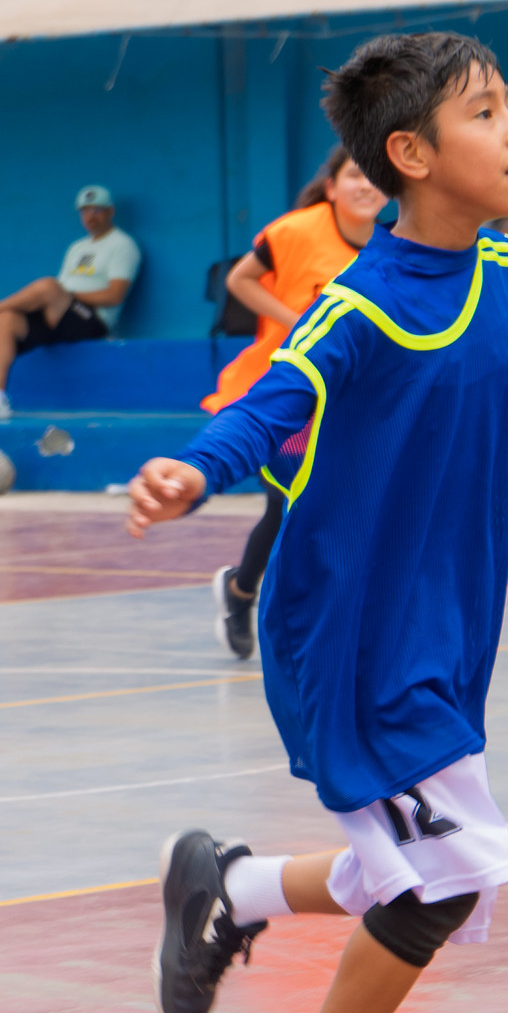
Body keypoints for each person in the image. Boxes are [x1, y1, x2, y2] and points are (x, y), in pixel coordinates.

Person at [127, 31, 508, 1013]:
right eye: (487, 114)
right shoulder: (356, 305)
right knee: (448, 872)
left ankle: (224, 887)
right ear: (410, 154)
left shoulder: (501, 271)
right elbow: (269, 399)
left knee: (405, 857)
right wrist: (195, 471)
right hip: (347, 631)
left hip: (441, 617)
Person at [200, 146, 387, 660]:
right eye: (354, 175)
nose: (365, 185)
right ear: (331, 186)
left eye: (374, 175)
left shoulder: (390, 248)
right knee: (293, 501)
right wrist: (295, 322)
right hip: (276, 392)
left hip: (340, 400)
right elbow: (237, 280)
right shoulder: (295, 232)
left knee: (317, 506)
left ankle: (242, 590)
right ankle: (281, 609)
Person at [0, 186, 141, 419]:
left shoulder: (122, 244)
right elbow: (62, 289)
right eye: (85, 211)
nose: (90, 216)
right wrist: (60, 296)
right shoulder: (77, 247)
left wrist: (67, 295)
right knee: (8, 318)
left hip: (93, 321)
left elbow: (115, 295)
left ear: (110, 212)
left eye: (97, 210)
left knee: (48, 286)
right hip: (61, 315)